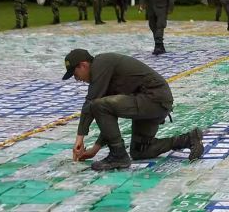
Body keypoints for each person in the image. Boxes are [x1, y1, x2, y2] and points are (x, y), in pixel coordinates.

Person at [64, 49, 205, 171]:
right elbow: (107, 120)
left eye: (75, 75)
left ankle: (118, 155)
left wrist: (79, 138)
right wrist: (95, 149)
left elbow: (92, 104)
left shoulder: (101, 62)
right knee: (140, 151)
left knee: (98, 105)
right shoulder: (104, 77)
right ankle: (188, 139)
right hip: (153, 102)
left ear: (83, 65)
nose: (77, 79)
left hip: (152, 98)